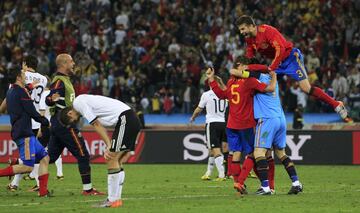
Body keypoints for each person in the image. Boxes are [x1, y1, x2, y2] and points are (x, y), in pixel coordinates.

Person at [234, 15, 352, 123]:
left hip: (291, 58)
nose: (241, 32)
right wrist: (245, 67)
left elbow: (280, 49)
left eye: (243, 29)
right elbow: (249, 55)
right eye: (240, 30)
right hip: (278, 64)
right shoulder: (249, 39)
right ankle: (260, 117)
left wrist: (271, 68)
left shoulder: (267, 31)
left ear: (251, 26)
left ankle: (336, 104)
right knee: (261, 86)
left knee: (306, 88)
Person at [206, 57, 277, 194]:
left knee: (235, 154)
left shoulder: (231, 81)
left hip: (231, 124)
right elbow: (269, 89)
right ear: (241, 66)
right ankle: (240, 182)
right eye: (246, 66)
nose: (248, 68)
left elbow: (222, 95)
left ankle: (238, 186)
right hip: (245, 124)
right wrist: (273, 77)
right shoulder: (249, 81)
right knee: (252, 153)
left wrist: (211, 80)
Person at [59, 94, 141, 208]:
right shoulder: (83, 101)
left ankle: (112, 200)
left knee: (110, 158)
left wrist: (108, 145)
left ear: (70, 113)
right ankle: (116, 200)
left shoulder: (78, 103)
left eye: (72, 121)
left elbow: (96, 124)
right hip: (129, 119)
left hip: (126, 119)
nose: (75, 121)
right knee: (117, 160)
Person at [232, 66, 303, 195]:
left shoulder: (259, 78)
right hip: (280, 118)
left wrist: (247, 67)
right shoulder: (272, 80)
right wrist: (273, 73)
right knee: (281, 153)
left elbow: (235, 72)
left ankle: (265, 187)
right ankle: (296, 183)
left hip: (267, 119)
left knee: (259, 152)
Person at [45, 54, 103, 195]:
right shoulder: (59, 81)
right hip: (64, 123)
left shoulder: (64, 80)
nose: (73, 63)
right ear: (64, 63)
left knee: (49, 158)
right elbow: (49, 98)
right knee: (83, 155)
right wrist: (51, 99)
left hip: (58, 123)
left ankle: (18, 163)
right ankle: (87, 189)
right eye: (71, 61)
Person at [0, 67, 50, 197]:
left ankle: (43, 192)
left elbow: (6, 108)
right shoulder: (21, 92)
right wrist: (45, 122)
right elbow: (31, 111)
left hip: (24, 132)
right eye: (22, 74)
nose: (25, 76)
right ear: (18, 77)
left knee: (45, 158)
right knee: (28, 166)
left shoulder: (11, 91)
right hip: (24, 134)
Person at [190, 78, 228, 181]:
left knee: (215, 149)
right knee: (211, 150)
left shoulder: (207, 94)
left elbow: (199, 109)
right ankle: (208, 173)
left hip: (212, 124)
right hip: (224, 123)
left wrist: (193, 117)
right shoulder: (225, 94)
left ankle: (221, 174)